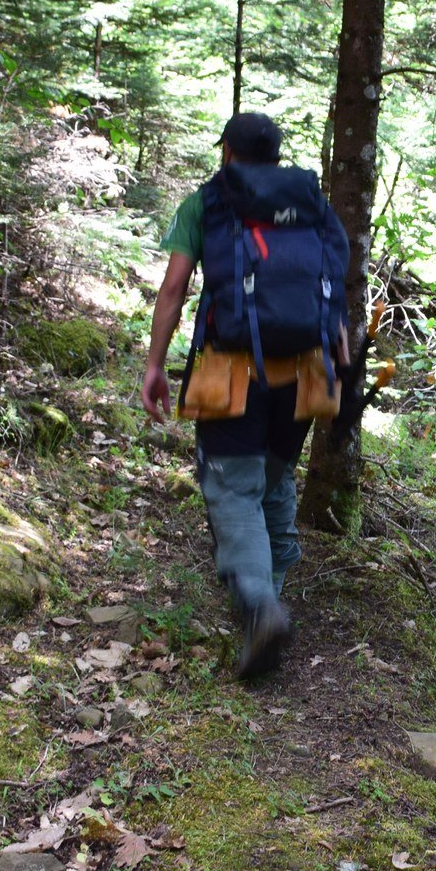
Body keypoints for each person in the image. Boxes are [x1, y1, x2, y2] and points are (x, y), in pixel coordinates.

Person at [140, 111, 349, 680]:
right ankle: (273, 591)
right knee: (274, 477)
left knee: (232, 487)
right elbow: (333, 279)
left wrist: (155, 365)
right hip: (306, 374)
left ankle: (260, 607)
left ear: (227, 152)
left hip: (232, 371)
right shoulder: (309, 201)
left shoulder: (207, 202)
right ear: (276, 156)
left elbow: (175, 289)